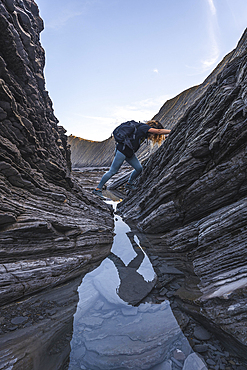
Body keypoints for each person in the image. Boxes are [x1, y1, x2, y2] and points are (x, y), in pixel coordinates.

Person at [92, 120, 171, 198]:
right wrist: (172, 131)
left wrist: (167, 136)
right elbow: (159, 131)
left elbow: (156, 138)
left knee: (139, 168)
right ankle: (98, 189)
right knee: (113, 171)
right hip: (122, 151)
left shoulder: (144, 132)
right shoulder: (144, 127)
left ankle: (129, 184)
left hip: (129, 152)